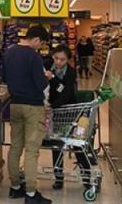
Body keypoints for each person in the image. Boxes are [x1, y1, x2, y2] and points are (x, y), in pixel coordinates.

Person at [2, 24, 52, 204]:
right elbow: (41, 85)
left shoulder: (9, 52)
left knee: (15, 147)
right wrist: (46, 77)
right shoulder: (33, 56)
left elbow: (5, 78)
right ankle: (31, 194)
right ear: (37, 40)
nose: (41, 47)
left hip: (14, 105)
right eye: (42, 44)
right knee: (31, 150)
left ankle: (15, 187)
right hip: (33, 108)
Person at [46, 45, 79, 190]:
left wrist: (53, 79)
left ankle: (87, 175)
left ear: (68, 60)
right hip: (51, 111)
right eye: (56, 58)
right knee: (56, 145)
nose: (59, 62)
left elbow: (66, 93)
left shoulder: (71, 73)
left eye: (63, 59)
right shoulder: (46, 65)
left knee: (76, 143)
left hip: (66, 111)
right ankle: (58, 177)